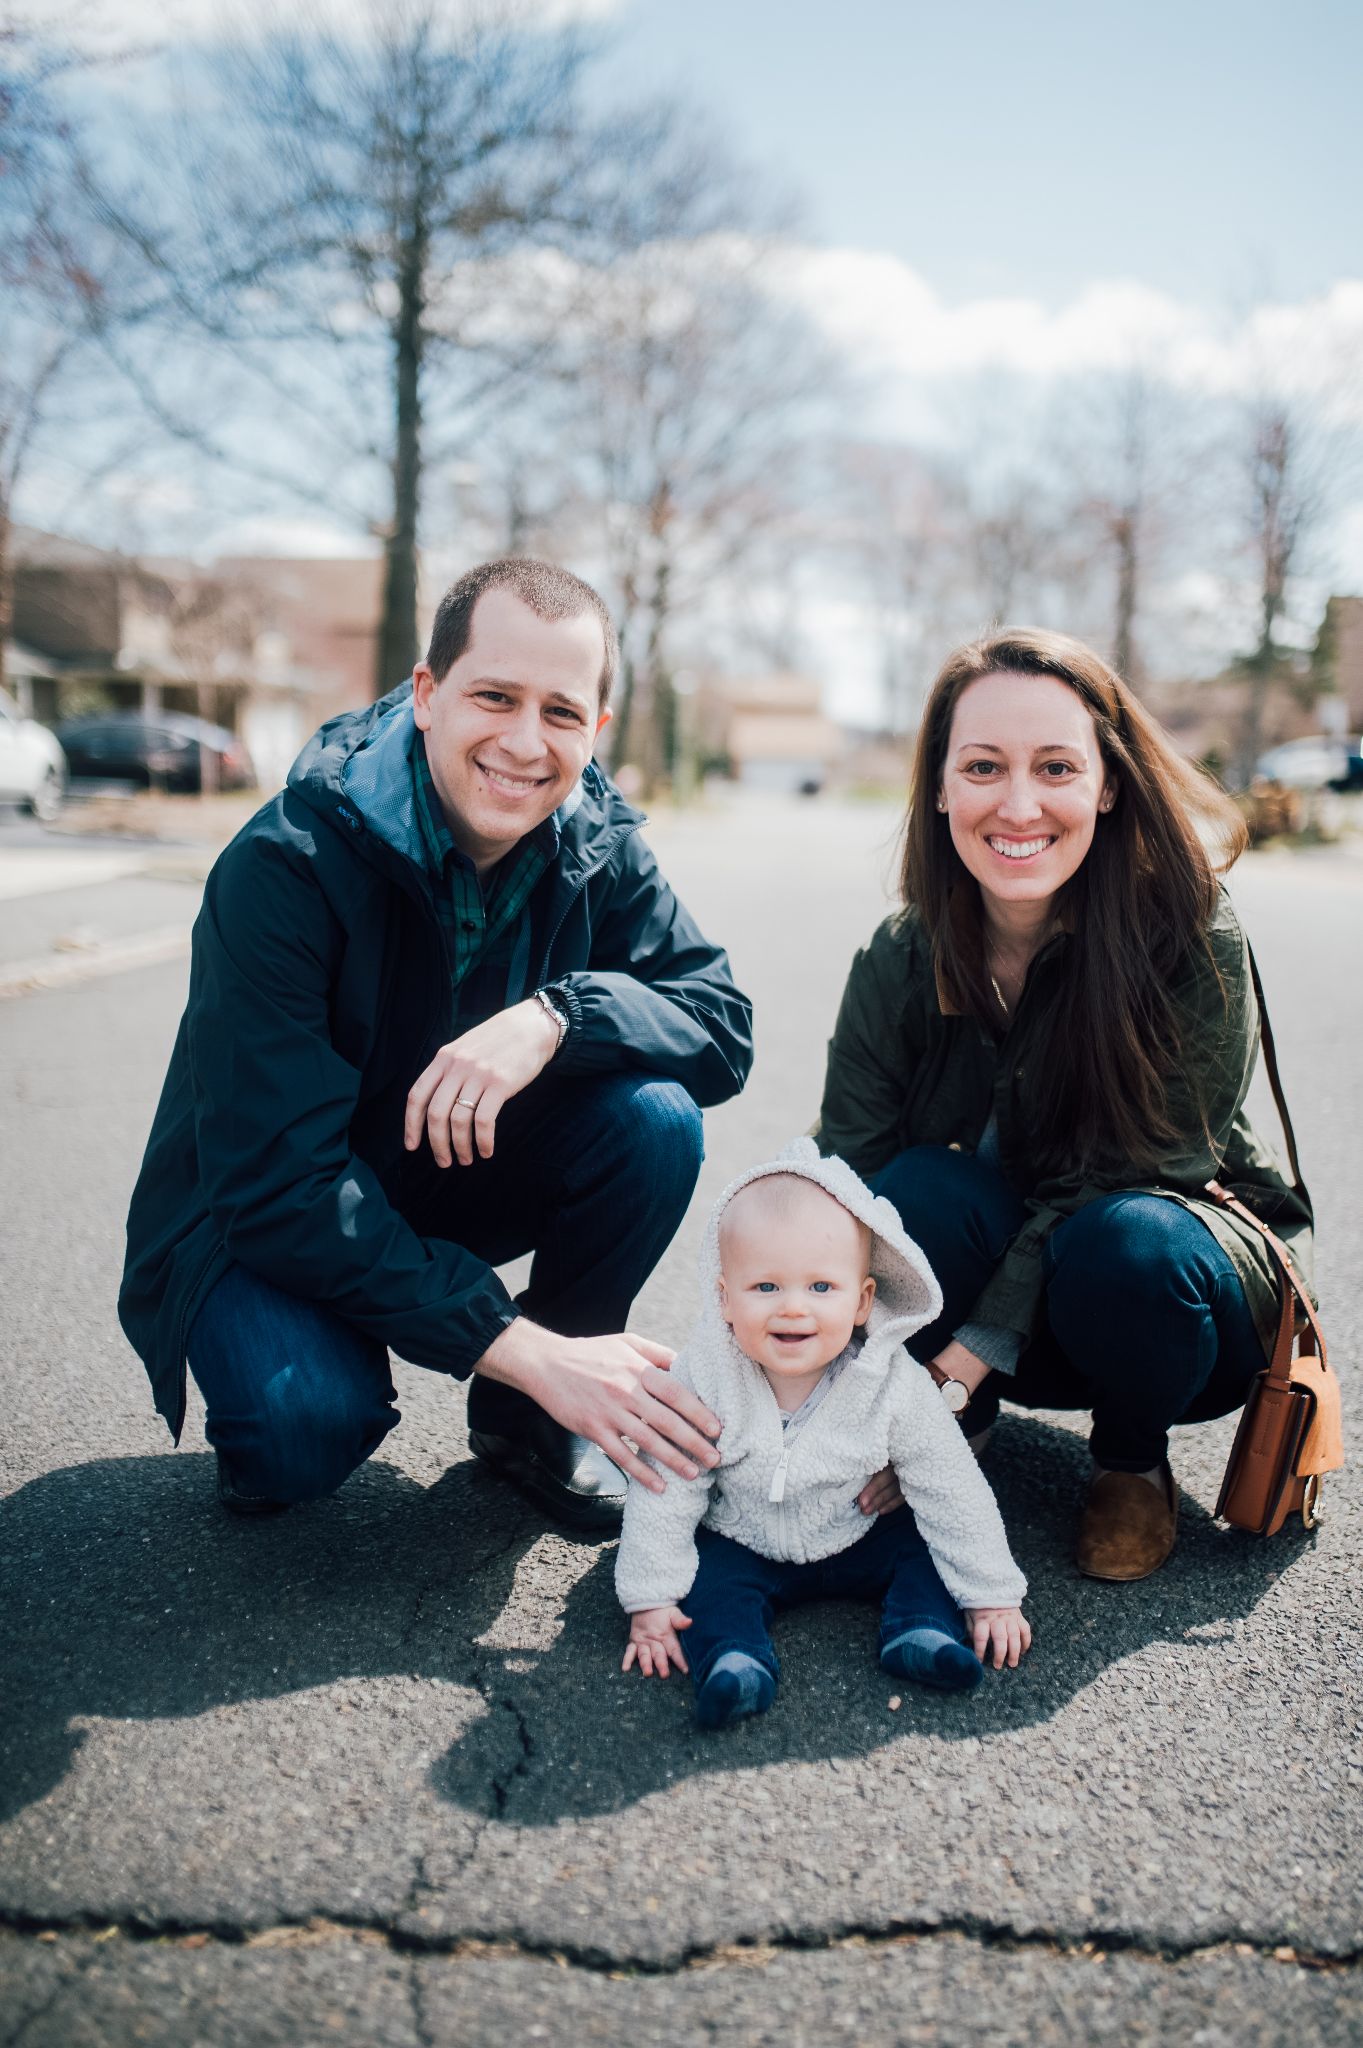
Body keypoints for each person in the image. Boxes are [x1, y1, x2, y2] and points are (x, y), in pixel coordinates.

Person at [119, 558, 753, 1530]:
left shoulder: (599, 844)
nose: (524, 740)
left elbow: (720, 1022)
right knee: (301, 1427)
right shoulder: (283, 865)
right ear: (426, 694)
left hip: (438, 1171)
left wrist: (557, 1017)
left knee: (654, 1119)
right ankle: (495, 1368)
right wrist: (503, 1331)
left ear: (598, 729)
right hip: (260, 1214)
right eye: (494, 696)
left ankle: (527, 1419)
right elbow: (275, 1183)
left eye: (560, 710)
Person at [820, 627, 1314, 1582]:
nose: (1017, 804)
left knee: (1126, 1241)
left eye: (1055, 766)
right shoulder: (903, 953)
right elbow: (845, 1169)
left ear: (1108, 784)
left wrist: (970, 1348)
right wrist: (772, 1367)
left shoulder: (1186, 930)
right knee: (903, 1191)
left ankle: (1130, 1462)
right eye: (982, 767)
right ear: (938, 787)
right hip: (1004, 1303)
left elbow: (1148, 1172)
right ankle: (951, 1423)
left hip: (1170, 1315)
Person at [615, 1140, 1030, 1729]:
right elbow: (666, 1486)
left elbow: (950, 1484)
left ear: (863, 1302)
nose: (792, 1310)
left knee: (926, 1544)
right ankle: (734, 1662)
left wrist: (992, 1594)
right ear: (724, 1296)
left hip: (858, 1530)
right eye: (765, 1288)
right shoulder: (706, 1377)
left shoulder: (891, 1382)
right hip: (745, 1537)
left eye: (820, 1288)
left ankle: (922, 1632)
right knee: (706, 1583)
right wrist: (650, 1600)